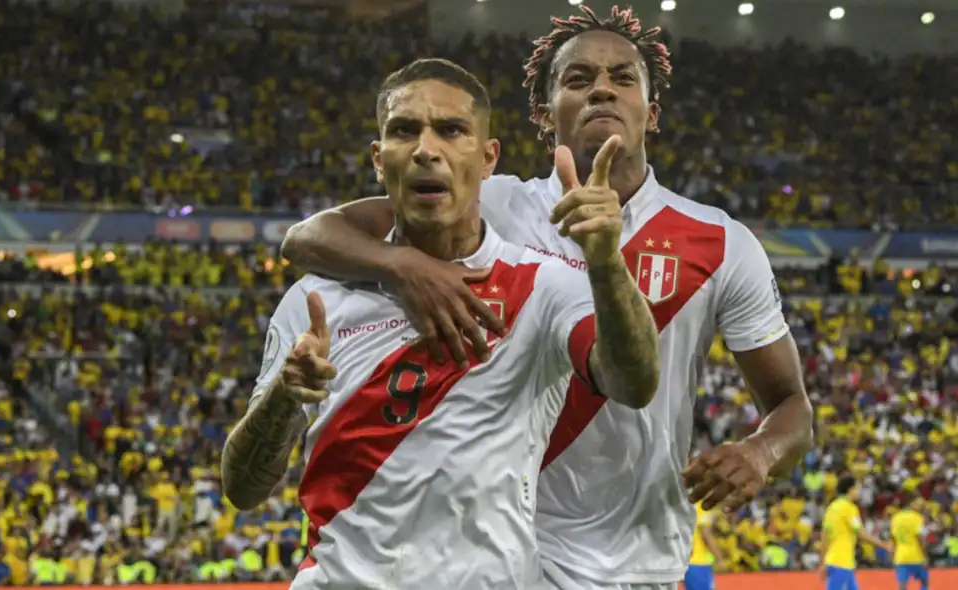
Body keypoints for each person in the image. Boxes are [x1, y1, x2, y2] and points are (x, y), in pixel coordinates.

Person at [280, 5, 814, 590]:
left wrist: (760, 453)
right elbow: (307, 237)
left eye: (623, 78)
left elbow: (791, 406)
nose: (602, 91)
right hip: (502, 553)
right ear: (544, 112)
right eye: (578, 79)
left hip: (633, 558)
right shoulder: (493, 205)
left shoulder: (721, 243)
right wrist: (400, 263)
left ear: (651, 112)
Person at [221, 58, 660, 589]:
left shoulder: (543, 288)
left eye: (451, 130)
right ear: (380, 162)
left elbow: (633, 384)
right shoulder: (317, 299)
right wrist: (285, 397)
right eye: (405, 131)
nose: (427, 149)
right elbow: (244, 489)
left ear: (487, 157)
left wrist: (607, 261)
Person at [819, 476, 894, 590]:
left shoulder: (831, 508)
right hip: (842, 562)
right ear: (851, 489)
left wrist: (822, 562)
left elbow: (824, 537)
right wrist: (884, 545)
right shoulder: (849, 508)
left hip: (835, 561)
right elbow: (861, 534)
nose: (859, 491)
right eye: (858, 488)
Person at [890, 496, 930, 590]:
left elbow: (893, 539)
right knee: (924, 581)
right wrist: (925, 556)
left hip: (900, 557)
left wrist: (892, 556)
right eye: (919, 504)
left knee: (902, 585)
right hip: (916, 556)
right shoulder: (917, 518)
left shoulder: (896, 518)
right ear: (912, 504)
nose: (921, 507)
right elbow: (921, 538)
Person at [684, 502, 723, 590]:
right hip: (698, 562)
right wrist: (719, 558)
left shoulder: (689, 504)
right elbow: (705, 534)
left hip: (688, 560)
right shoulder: (703, 505)